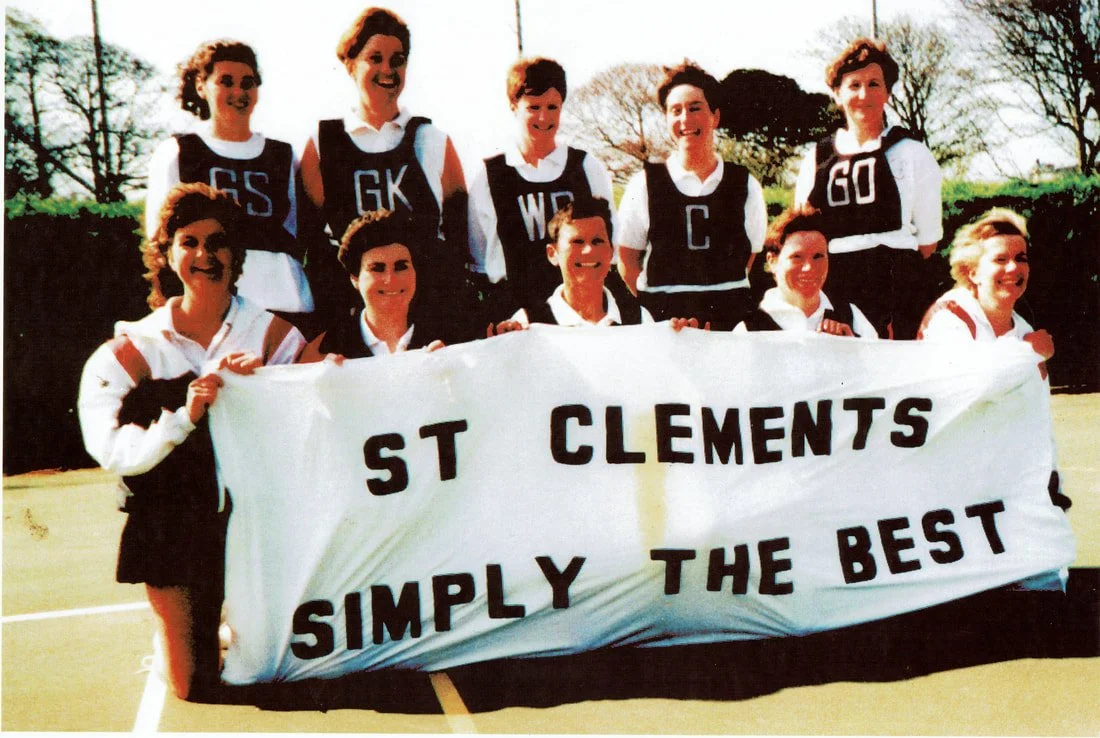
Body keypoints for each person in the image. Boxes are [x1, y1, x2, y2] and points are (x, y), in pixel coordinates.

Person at [78, 183, 306, 700]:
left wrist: (277, 382)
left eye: (218, 242)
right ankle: (182, 642)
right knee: (193, 685)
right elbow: (113, 451)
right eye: (189, 242)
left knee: (280, 664)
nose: (206, 255)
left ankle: (229, 622)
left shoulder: (272, 335)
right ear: (167, 253)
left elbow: (319, 417)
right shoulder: (132, 347)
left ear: (236, 254)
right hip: (171, 525)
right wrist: (185, 414)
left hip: (253, 523)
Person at [298, 6, 471, 341]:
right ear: (350, 64)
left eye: (398, 59)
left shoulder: (432, 140)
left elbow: (458, 242)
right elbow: (310, 244)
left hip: (427, 318)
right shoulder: (323, 143)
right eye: (374, 58)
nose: (387, 70)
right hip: (349, 320)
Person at [918, 208, 1070, 589]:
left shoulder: (1023, 327)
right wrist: (1024, 353)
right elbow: (966, 390)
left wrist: (1050, 479)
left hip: (1007, 475)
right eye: (999, 259)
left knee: (1045, 586)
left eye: (1020, 258)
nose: (1012, 269)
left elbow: (1035, 416)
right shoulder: (950, 318)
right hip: (951, 478)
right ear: (972, 271)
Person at [145, 40, 314, 332]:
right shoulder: (178, 152)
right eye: (226, 82)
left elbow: (296, 233)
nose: (239, 92)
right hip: (212, 308)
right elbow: (161, 242)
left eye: (247, 83)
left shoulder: (283, 156)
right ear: (201, 86)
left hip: (287, 305)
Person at [793, 37, 942, 339]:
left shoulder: (913, 153)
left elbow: (927, 242)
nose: (864, 94)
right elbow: (802, 235)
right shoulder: (816, 159)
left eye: (874, 84)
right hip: (835, 289)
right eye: (854, 85)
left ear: (887, 92)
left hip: (898, 288)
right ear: (837, 94)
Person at [617, 62, 767, 331]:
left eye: (695, 108)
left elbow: (750, 256)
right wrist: (658, 310)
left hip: (729, 325)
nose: (685, 119)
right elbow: (627, 260)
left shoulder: (745, 185)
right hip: (665, 325)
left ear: (715, 117)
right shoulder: (643, 184)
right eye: (676, 111)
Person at [467, 57, 619, 323]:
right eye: (533, 107)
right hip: (514, 313)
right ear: (514, 106)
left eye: (552, 107)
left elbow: (609, 241)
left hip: (578, 309)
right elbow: (481, 258)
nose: (544, 117)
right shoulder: (490, 176)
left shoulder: (585, 167)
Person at [489, 197, 653, 331]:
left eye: (597, 241)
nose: (588, 250)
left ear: (611, 252)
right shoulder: (526, 324)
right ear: (553, 254)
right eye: (577, 242)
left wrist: (676, 337)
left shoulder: (639, 320)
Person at [300, 209, 444, 359]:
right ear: (355, 278)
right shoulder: (325, 348)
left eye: (401, 267)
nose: (390, 279)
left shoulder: (448, 339)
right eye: (377, 268)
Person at [733, 205, 877, 337]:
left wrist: (851, 347)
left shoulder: (852, 317)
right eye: (797, 257)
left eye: (818, 256)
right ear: (772, 261)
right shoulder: (748, 329)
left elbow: (877, 364)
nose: (809, 268)